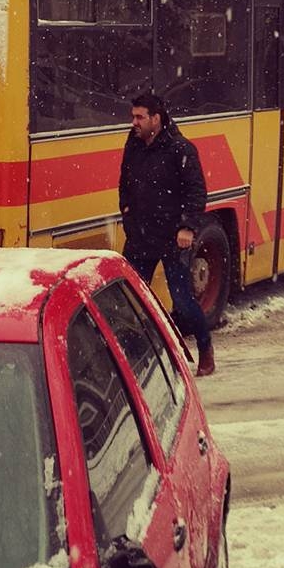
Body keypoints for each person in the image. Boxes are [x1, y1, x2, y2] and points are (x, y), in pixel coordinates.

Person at [117, 90, 216, 376]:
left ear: (156, 119)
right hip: (140, 235)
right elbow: (124, 182)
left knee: (183, 303)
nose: (134, 122)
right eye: (132, 116)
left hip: (173, 237)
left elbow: (197, 193)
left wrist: (187, 227)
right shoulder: (133, 144)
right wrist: (126, 211)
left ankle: (205, 348)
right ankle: (136, 359)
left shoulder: (181, 149)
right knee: (130, 301)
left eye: (139, 117)